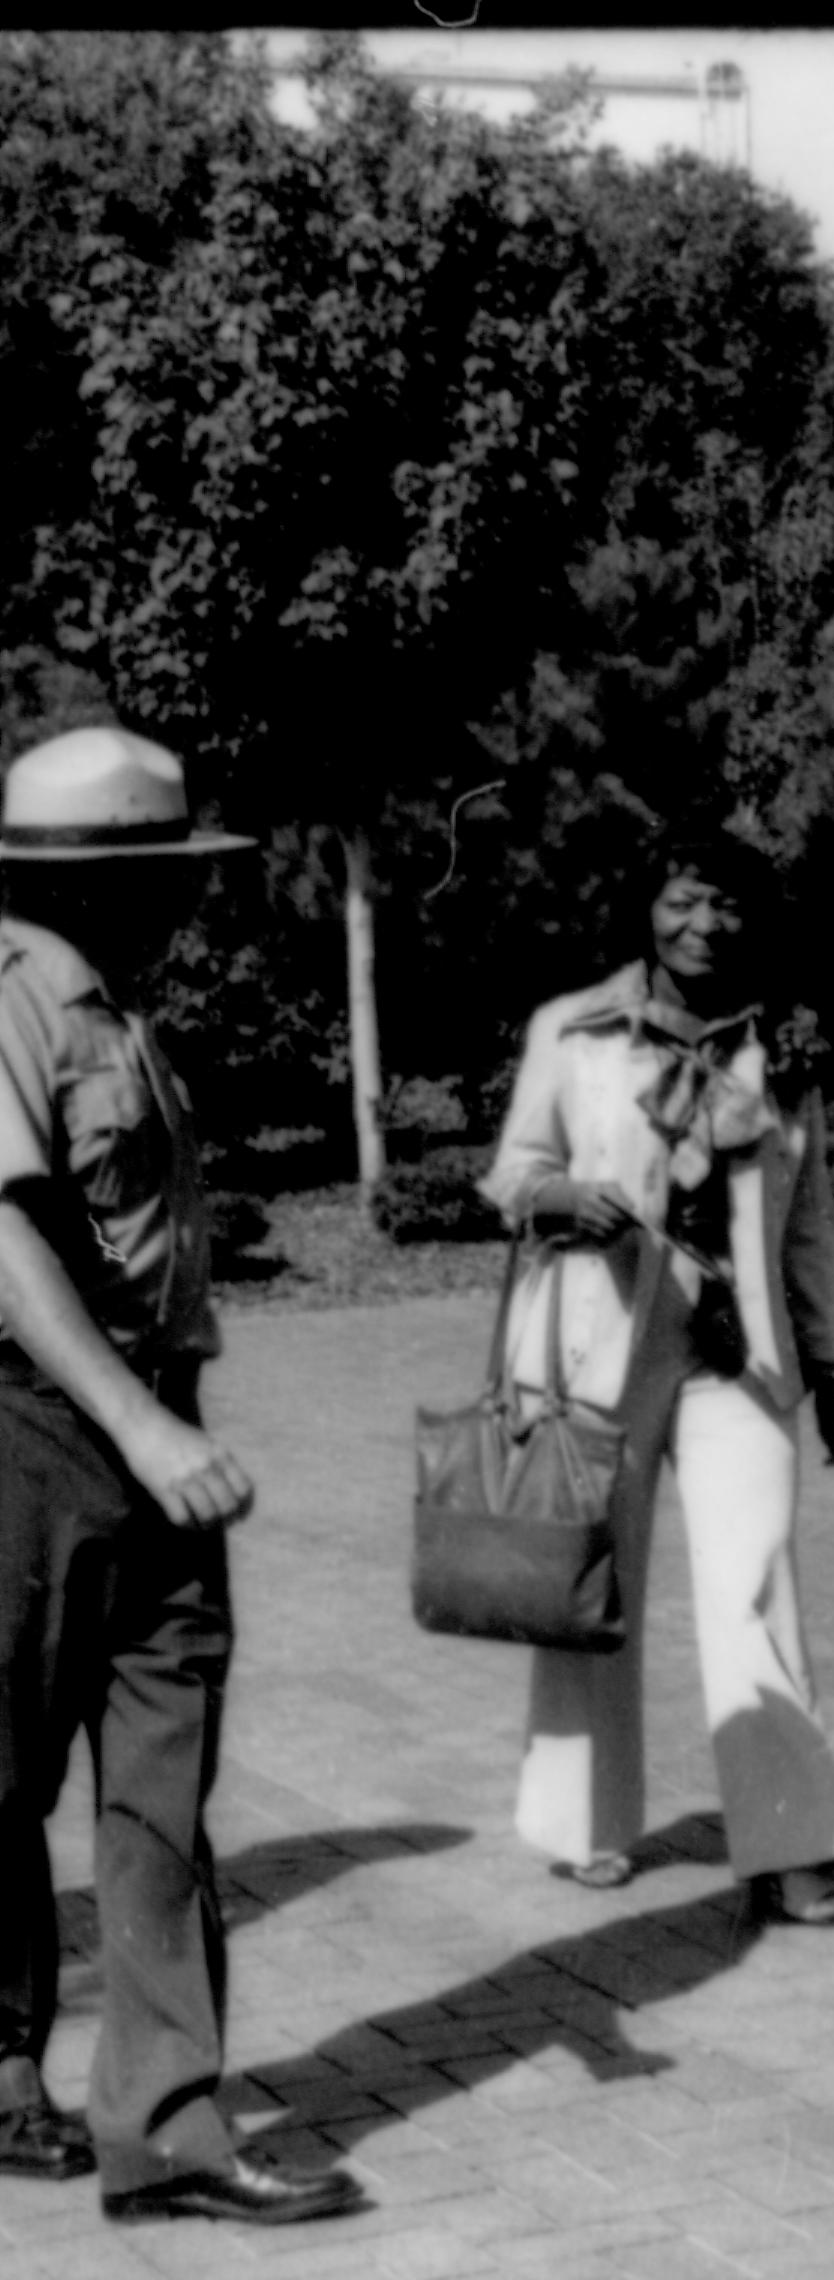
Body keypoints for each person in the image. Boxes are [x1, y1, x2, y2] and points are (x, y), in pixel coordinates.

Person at [0, 726, 365, 2225]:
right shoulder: (13, 1000)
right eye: (165, 874)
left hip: (158, 1428)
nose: (188, 901)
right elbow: (6, 1242)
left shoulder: (118, 1009)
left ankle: (167, 2132)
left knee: (162, 1784)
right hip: (33, 1430)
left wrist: (170, 1423)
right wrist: (138, 1433)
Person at [481, 825, 834, 1928]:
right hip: (601, 1342)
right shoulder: (576, 1029)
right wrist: (560, 1198)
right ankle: (586, 1823)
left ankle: (790, 1845)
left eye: (726, 906)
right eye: (682, 901)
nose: (704, 926)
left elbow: (812, 1228)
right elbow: (512, 1167)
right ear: (646, 907)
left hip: (736, 1359)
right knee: (598, 1585)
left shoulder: (780, 1048)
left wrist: (829, 1365)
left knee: (755, 1582)